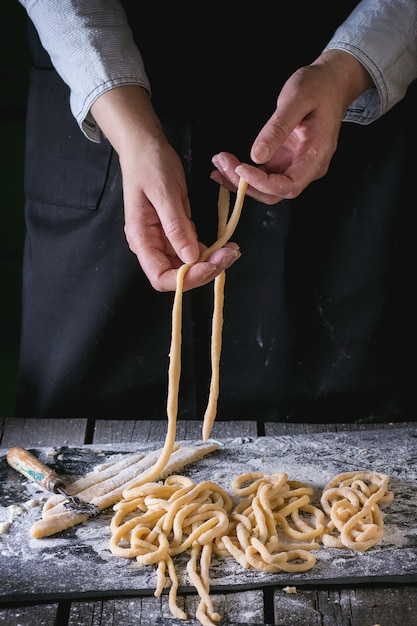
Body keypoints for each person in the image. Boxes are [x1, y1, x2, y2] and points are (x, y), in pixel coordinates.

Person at [15, 0, 417, 422]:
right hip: (102, 110)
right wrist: (131, 130)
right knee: (81, 422)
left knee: (346, 418)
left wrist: (346, 69)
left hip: (338, 113)